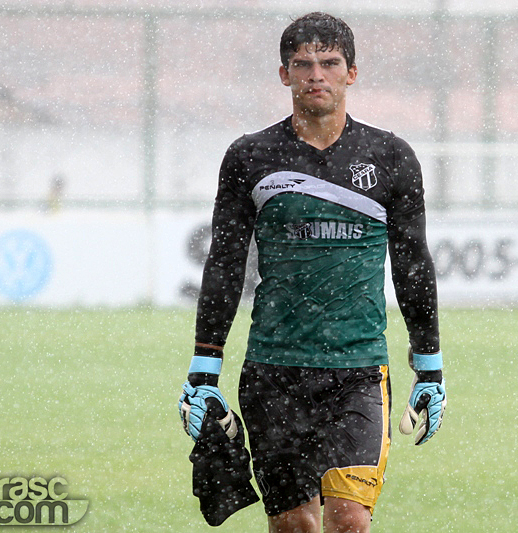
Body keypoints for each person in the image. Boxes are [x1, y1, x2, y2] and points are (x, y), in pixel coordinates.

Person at [178, 12, 446, 533]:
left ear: (352, 73)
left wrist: (429, 367)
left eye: (329, 63)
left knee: (349, 522)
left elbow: (413, 262)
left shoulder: (391, 158)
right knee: (295, 526)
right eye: (302, 64)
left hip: (360, 371)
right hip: (274, 371)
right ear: (284, 75)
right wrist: (204, 368)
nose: (315, 75)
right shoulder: (250, 156)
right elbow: (226, 264)